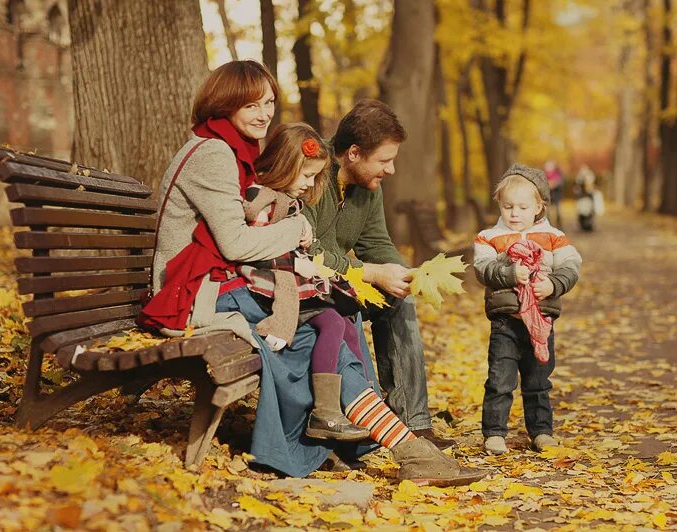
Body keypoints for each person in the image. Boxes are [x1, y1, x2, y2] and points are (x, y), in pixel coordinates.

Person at [139, 60, 485, 485]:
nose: (265, 113)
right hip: (193, 293)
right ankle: (405, 448)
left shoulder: (229, 150)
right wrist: (296, 230)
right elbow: (237, 243)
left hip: (218, 283)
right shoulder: (213, 154)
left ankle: (404, 444)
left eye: (269, 102)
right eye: (252, 104)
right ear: (224, 103)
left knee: (327, 323)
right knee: (315, 329)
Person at [303, 99, 454, 450]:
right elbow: (308, 253)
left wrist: (403, 273)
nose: (391, 170)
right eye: (385, 161)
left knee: (399, 300)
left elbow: (377, 243)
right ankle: (363, 413)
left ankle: (413, 423)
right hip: (310, 288)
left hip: (343, 283)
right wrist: (371, 272)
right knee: (359, 300)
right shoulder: (311, 173)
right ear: (354, 153)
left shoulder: (368, 188)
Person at [237, 121, 370, 442]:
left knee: (347, 322)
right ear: (284, 166)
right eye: (307, 175)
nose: (309, 183)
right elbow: (261, 249)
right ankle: (326, 412)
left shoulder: (286, 202)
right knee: (334, 324)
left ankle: (359, 399)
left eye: (314, 176)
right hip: (271, 287)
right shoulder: (261, 201)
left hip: (291, 281)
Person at [472, 164, 582, 455]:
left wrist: (554, 285)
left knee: (538, 380)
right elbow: (483, 268)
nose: (514, 213)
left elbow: (572, 266)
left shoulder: (553, 237)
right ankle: (495, 433)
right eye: (508, 206)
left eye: (522, 207)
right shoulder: (489, 237)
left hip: (541, 321)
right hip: (506, 322)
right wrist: (509, 274)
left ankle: (541, 431)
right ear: (499, 204)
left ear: (539, 206)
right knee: (500, 379)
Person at [543, 160, 564, 228]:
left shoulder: (557, 174)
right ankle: (549, 225)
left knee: (558, 211)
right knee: (547, 212)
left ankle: (559, 225)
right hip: (548, 196)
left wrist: (554, 184)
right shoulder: (544, 175)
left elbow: (559, 183)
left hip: (556, 195)